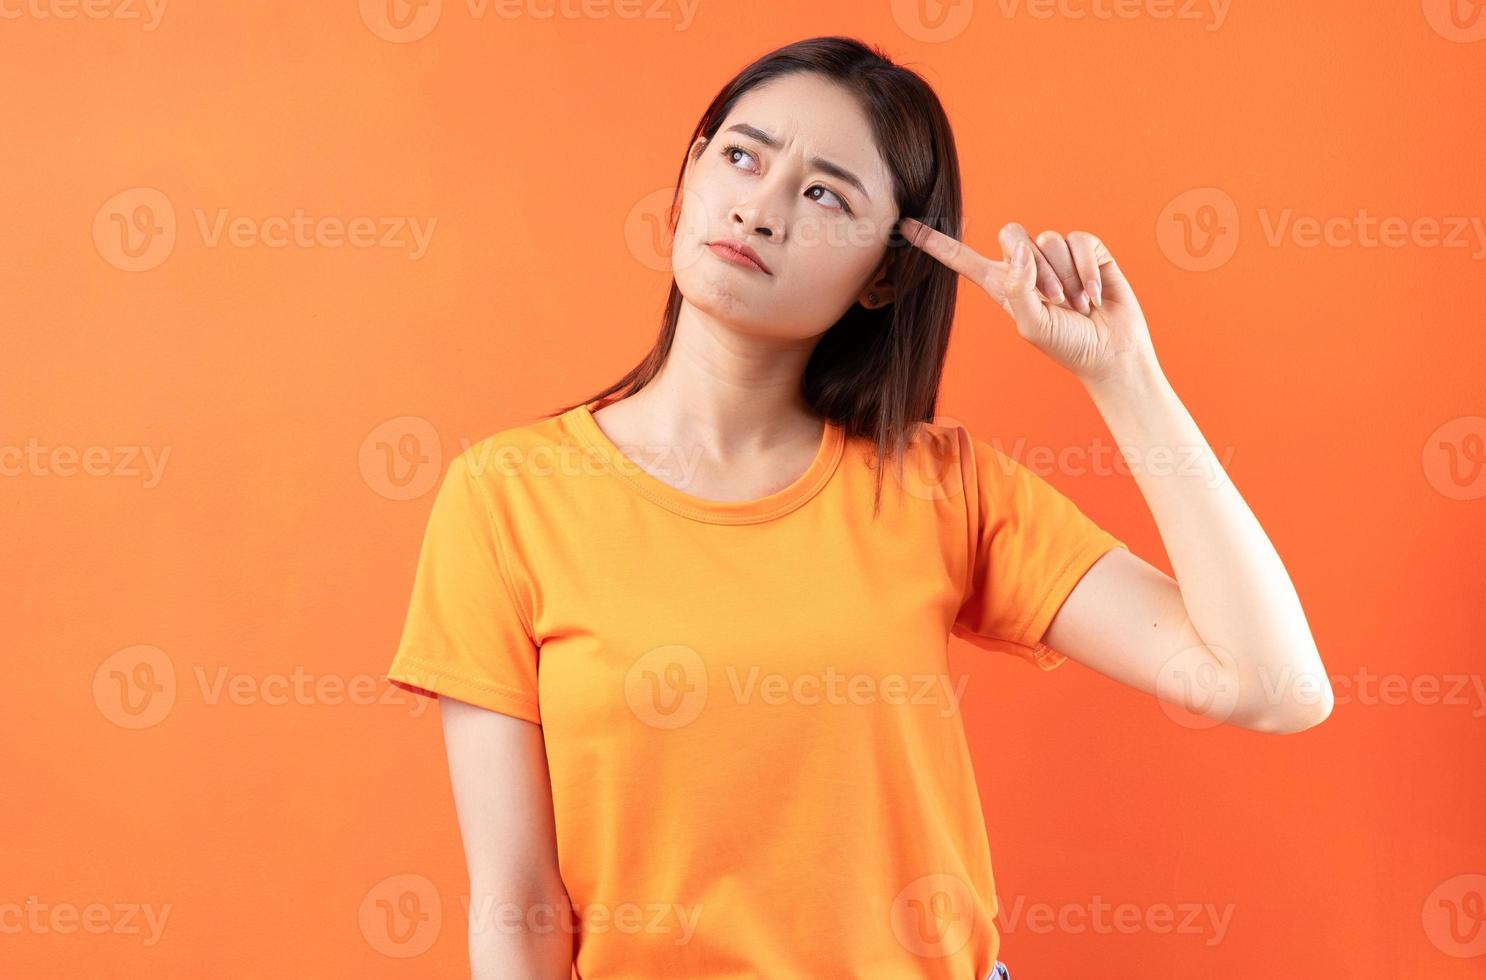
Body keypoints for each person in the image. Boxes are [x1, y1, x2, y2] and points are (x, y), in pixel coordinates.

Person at [385, 35, 1334, 979]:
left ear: (886, 273)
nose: (760, 209)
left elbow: (1272, 687)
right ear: (691, 176)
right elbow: (518, 909)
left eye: (825, 193)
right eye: (743, 156)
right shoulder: (508, 496)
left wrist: (1123, 376)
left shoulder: (938, 486)